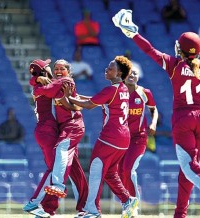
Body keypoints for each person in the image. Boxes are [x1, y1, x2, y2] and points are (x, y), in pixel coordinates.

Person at [113, 5, 200, 218]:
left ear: (181, 48)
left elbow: (149, 50)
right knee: (187, 165)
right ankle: (180, 214)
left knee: (189, 165)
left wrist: (132, 32)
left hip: (183, 118)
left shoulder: (175, 65)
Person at [67, 56, 138, 218]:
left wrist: (65, 97)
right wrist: (74, 95)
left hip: (110, 137)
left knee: (96, 170)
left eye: (110, 67)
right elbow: (95, 100)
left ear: (119, 72)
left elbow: (88, 105)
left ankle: (93, 210)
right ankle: (128, 200)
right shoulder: (123, 89)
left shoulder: (111, 90)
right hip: (123, 138)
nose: (106, 69)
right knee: (110, 173)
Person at [23, 59, 88, 218]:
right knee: (55, 169)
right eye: (52, 67)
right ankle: (34, 204)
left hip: (54, 130)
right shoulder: (51, 84)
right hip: (49, 131)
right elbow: (48, 90)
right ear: (44, 70)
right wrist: (38, 79)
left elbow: (37, 83)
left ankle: (84, 207)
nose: (56, 70)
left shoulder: (54, 82)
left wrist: (37, 78)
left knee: (74, 171)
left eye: (61, 68)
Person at [118, 67, 158, 217]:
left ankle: (133, 207)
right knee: (121, 173)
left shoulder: (144, 93)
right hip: (121, 138)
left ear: (138, 76)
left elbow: (154, 110)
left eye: (134, 73)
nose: (132, 75)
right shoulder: (117, 92)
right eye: (129, 73)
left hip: (138, 138)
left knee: (128, 170)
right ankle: (128, 205)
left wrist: (153, 123)